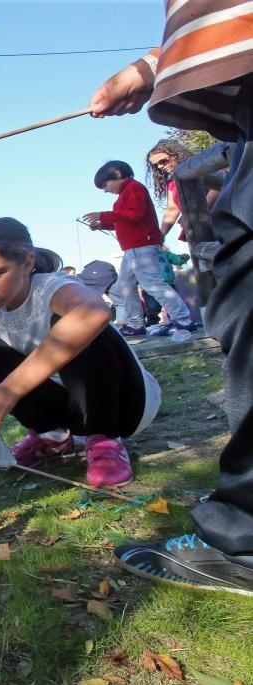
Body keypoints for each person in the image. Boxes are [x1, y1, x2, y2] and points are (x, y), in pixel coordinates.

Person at [89, 4, 253, 595]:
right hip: (243, 110)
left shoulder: (133, 190)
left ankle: (244, 537)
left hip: (149, 243)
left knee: (213, 293)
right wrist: (160, 62)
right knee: (234, 296)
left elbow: (134, 215)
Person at [0, 218, 162, 488]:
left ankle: (105, 441)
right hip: (72, 409)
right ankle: (52, 436)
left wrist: (8, 390)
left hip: (125, 405)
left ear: (28, 263)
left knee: (73, 323)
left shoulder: (52, 288)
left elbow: (94, 313)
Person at [81, 160, 197, 337]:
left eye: (105, 185)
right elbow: (125, 220)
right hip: (132, 248)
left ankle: (183, 320)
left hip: (141, 245)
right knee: (125, 286)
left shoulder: (134, 188)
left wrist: (103, 215)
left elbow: (135, 214)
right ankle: (135, 323)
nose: (105, 190)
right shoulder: (124, 195)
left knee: (152, 283)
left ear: (118, 174)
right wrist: (102, 224)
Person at [146, 138, 220, 243]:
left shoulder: (200, 165)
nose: (160, 166)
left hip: (221, 220)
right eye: (156, 165)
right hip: (197, 230)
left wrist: (196, 214)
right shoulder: (172, 182)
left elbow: (217, 188)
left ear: (176, 154)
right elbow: (172, 210)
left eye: (163, 161)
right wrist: (159, 237)